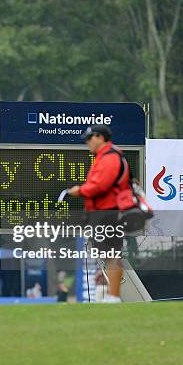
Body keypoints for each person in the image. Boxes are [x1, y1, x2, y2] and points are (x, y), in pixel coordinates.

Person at [67, 124, 128, 303]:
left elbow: (101, 185)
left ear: (100, 137)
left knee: (112, 254)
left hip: (109, 212)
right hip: (103, 212)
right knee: (108, 254)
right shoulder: (105, 156)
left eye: (89, 138)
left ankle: (114, 296)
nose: (87, 142)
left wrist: (80, 190)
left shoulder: (110, 157)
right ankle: (112, 295)